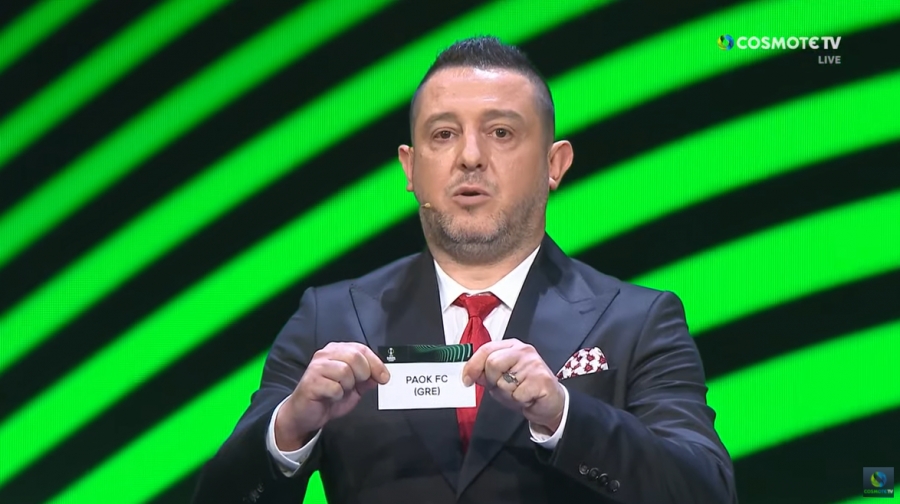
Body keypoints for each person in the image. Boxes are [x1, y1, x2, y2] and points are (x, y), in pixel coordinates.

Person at [191, 35, 738, 504]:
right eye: (443, 134)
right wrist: (288, 431)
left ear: (555, 164)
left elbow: (708, 492)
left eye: (501, 132)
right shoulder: (329, 318)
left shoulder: (639, 321)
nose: (470, 157)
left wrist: (564, 416)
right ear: (410, 168)